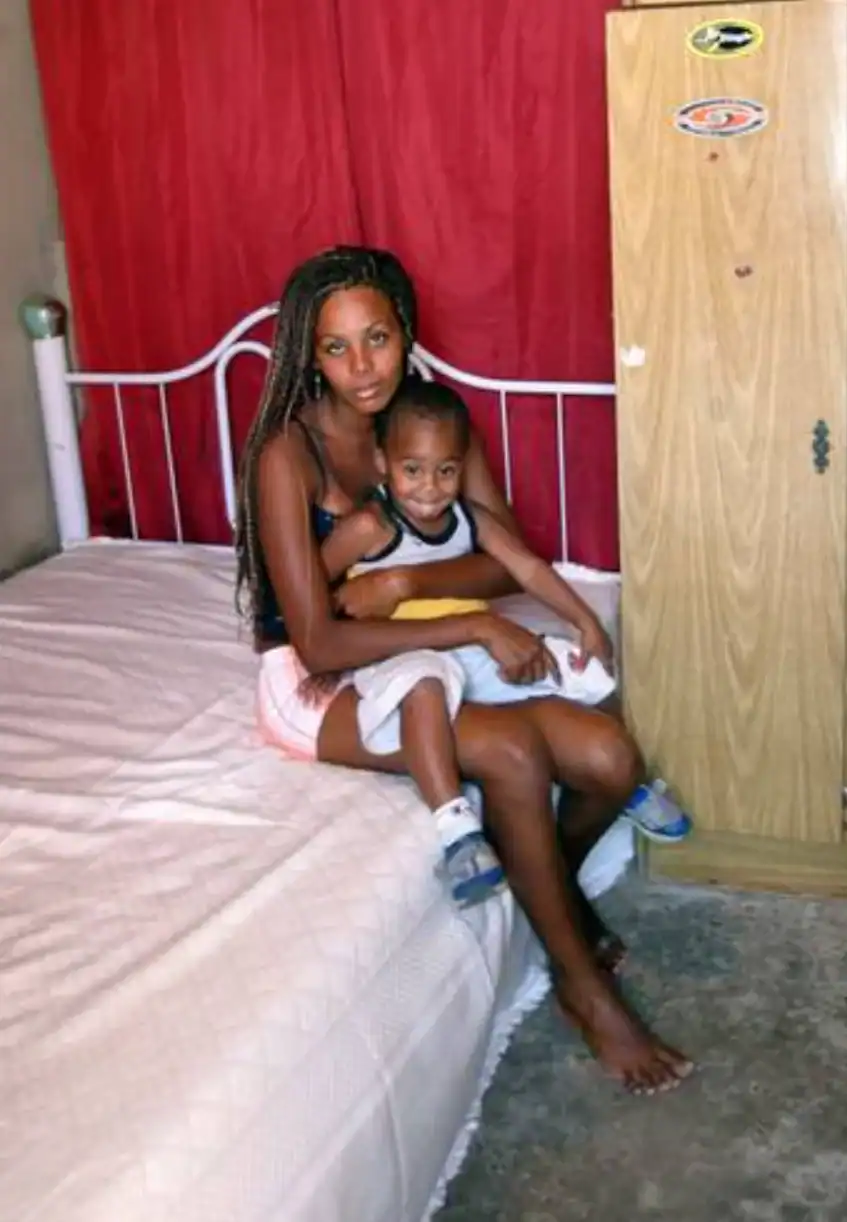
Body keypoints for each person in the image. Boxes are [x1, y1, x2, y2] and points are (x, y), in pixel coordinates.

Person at [235, 245, 692, 1093]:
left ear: (405, 331)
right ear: (309, 354)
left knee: (609, 759)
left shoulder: (433, 424)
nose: (362, 366)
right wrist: (474, 625)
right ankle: (583, 989)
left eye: (376, 338)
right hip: (321, 683)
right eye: (336, 347)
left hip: (423, 645)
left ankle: (548, 891)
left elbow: (497, 556)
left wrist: (403, 584)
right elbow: (318, 641)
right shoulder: (286, 455)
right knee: (513, 752)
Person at [319, 374, 624, 910]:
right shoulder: (369, 526)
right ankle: (458, 830)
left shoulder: (470, 519)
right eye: (413, 469)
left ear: (463, 466)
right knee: (425, 687)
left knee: (579, 668)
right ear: (383, 463)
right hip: (400, 651)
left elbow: (528, 569)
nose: (430, 488)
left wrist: (585, 621)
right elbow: (309, 586)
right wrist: (330, 622)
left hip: (469, 647)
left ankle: (631, 788)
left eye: (446, 470)